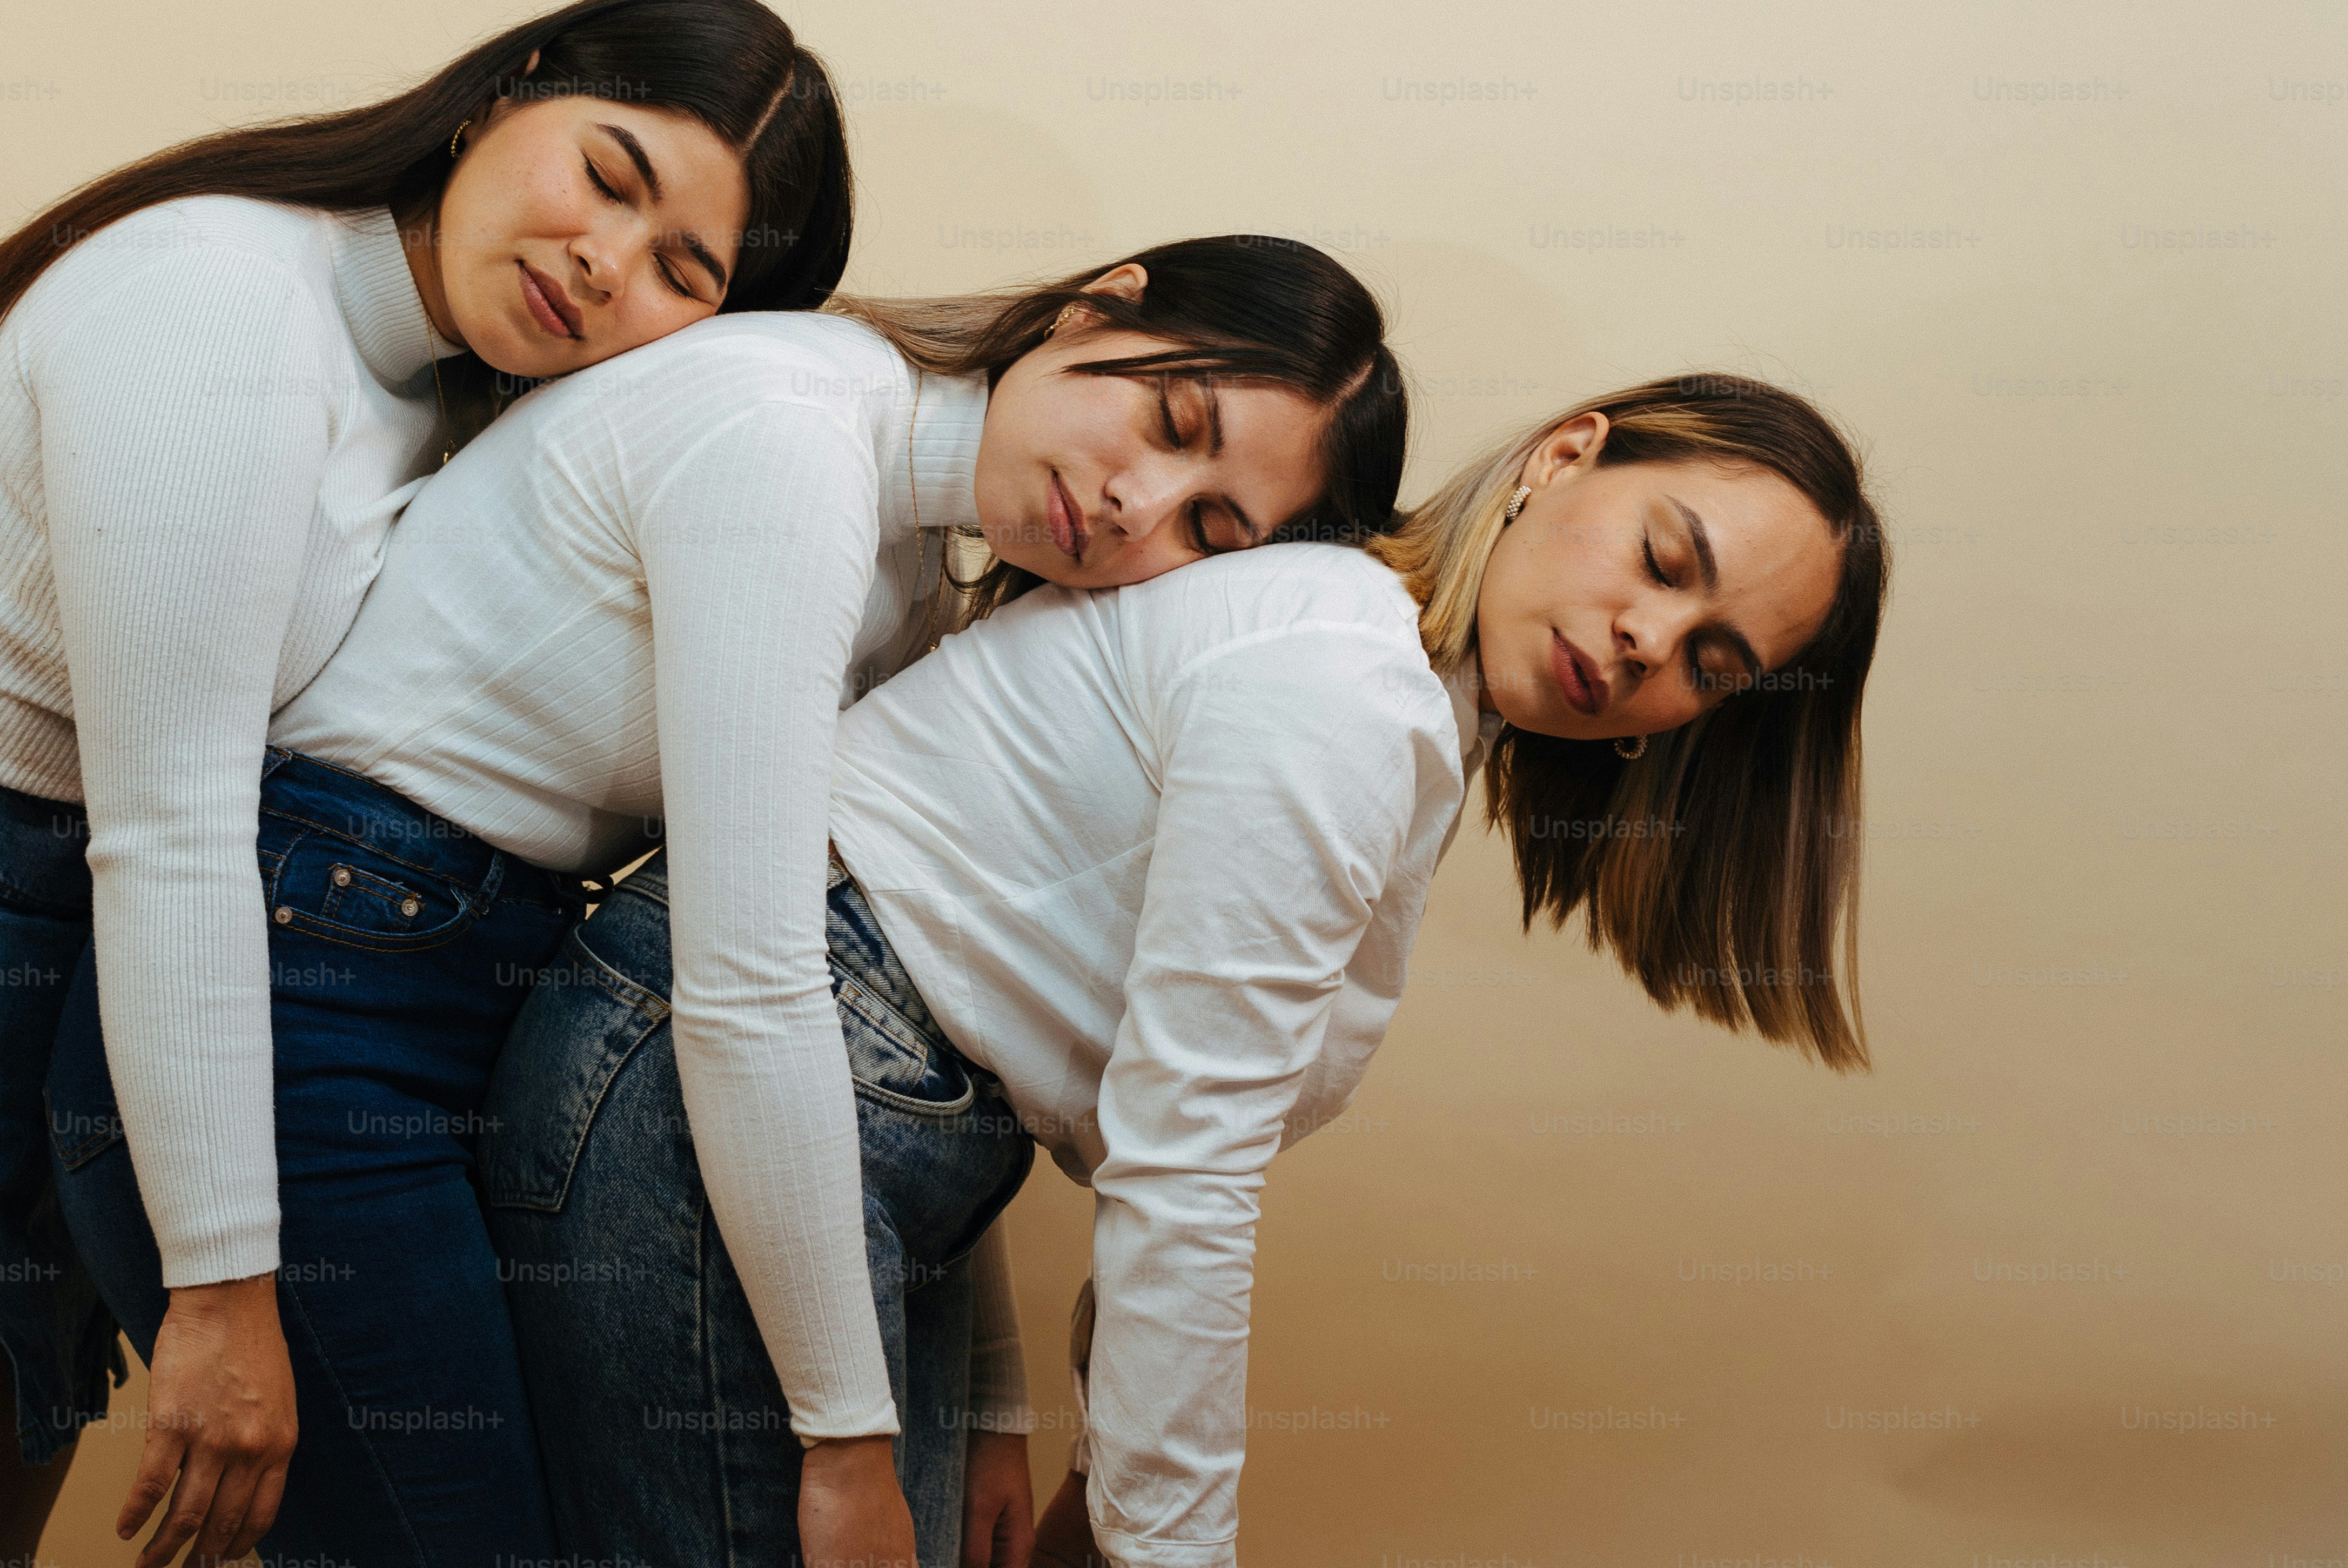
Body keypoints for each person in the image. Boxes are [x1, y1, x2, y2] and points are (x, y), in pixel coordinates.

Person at [0, 0, 852, 1568]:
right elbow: (177, 825)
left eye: (685, 269)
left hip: (69, 956)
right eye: (608, 175)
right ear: (506, 90)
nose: (606, 262)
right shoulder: (227, 304)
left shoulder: (433, 385)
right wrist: (224, 1292)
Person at [44, 236, 1407, 1565]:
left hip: (464, 987)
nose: (1135, 506)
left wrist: (988, 1396)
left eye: (1208, 527)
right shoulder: (794, 442)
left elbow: (920, 949)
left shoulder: (918, 549)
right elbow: (754, 982)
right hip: (296, 988)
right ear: (1099, 306)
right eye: (1173, 421)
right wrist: (845, 1445)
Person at [484, 373, 1886, 1568]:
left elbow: (1015, 1016)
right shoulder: (1345, 678)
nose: (1650, 642)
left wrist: (1054, 1439)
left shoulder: (1394, 695)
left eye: (1712, 661)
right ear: (1564, 457)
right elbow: (1183, 1155)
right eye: (1664, 558)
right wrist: (1163, 1542)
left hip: (840, 1125)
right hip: (726, 1095)